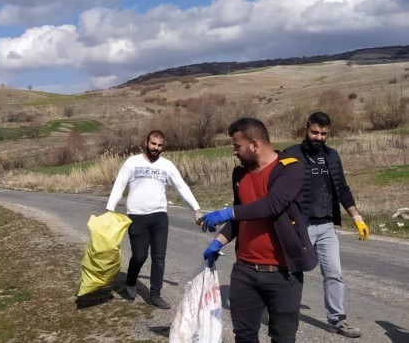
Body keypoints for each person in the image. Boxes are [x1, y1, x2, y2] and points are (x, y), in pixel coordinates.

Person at [200, 118, 318, 342]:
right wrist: (218, 241)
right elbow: (240, 218)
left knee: (282, 338)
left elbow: (273, 204)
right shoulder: (240, 175)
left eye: (237, 145)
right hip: (245, 271)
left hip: (283, 274)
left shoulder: (291, 168)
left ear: (254, 144)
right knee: (244, 336)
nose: (234, 151)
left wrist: (228, 212)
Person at [283, 111, 369, 338]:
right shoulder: (290, 154)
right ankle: (285, 316)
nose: (319, 137)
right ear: (306, 129)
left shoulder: (332, 156)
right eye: (315, 132)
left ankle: (337, 320)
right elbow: (278, 191)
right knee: (294, 273)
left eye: (324, 133)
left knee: (334, 274)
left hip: (327, 226)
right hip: (300, 227)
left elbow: (342, 188)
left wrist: (357, 218)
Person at [106, 130, 202, 309]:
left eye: (159, 145)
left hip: (159, 216)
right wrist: (110, 209)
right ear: (146, 142)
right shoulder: (132, 162)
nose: (156, 148)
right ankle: (131, 281)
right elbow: (119, 185)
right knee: (139, 256)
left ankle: (155, 295)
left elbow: (181, 186)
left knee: (159, 257)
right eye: (153, 144)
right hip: (136, 216)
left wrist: (196, 209)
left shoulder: (167, 165)